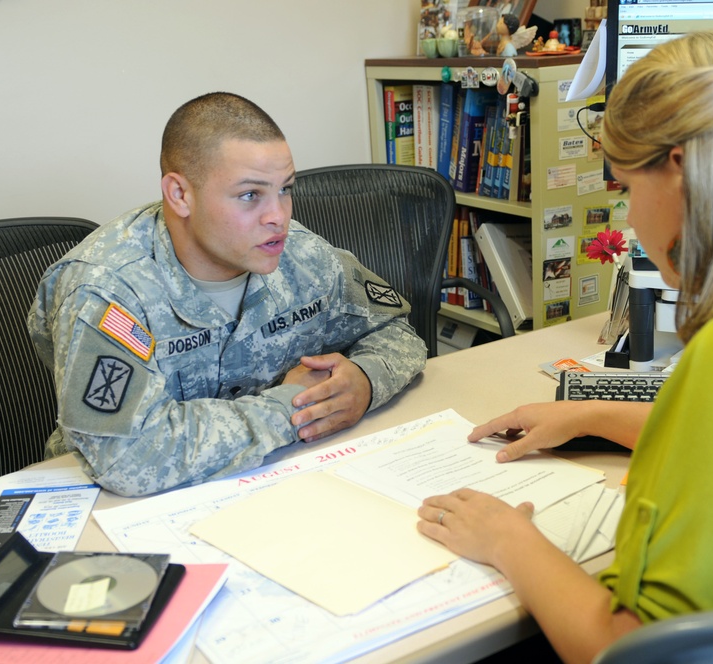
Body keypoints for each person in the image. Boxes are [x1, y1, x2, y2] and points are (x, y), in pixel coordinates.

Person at [417, 31, 713, 663]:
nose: (628, 219)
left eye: (623, 188)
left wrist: (507, 537)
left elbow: (632, 647)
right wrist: (594, 414)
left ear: (679, 170)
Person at [29, 92, 426, 497]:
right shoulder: (108, 288)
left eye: (285, 189)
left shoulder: (302, 254)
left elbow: (396, 331)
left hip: (278, 479)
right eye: (251, 195)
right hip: (117, 505)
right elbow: (126, 456)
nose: (279, 216)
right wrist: (294, 405)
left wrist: (364, 381)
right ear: (180, 195)